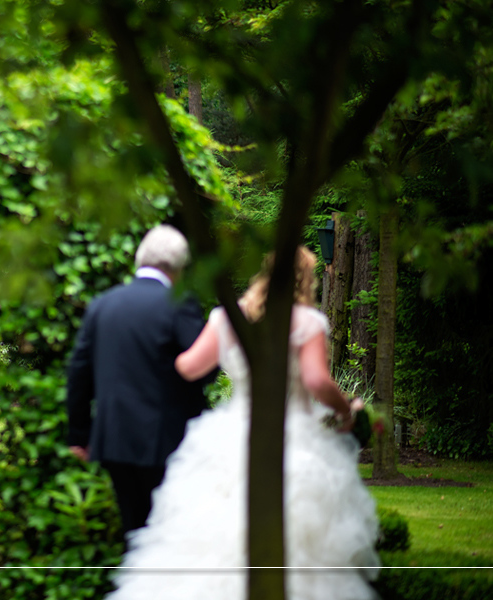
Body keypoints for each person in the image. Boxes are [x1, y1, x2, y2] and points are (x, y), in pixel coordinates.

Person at [108, 246, 380, 600]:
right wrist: (347, 409)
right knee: (297, 541)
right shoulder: (307, 323)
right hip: (293, 436)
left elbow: (188, 367)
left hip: (230, 434)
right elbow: (316, 381)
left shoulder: (226, 318)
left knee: (212, 529)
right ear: (307, 280)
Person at [66, 224, 213, 538]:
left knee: (135, 532)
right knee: (169, 534)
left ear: (139, 259)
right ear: (178, 267)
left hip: (115, 440)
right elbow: (204, 368)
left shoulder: (102, 305)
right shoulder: (179, 303)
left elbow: (79, 373)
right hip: (168, 441)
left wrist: (80, 435)